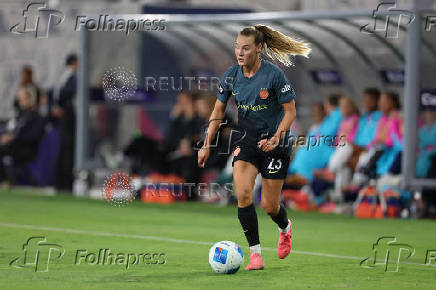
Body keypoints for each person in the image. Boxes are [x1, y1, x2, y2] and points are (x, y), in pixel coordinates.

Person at [197, 25, 310, 270]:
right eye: (237, 47)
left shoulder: (274, 75)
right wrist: (206, 144)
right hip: (247, 141)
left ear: (258, 49)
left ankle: (285, 227)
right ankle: (255, 255)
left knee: (270, 205)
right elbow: (218, 111)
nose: (239, 52)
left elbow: (290, 112)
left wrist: (276, 138)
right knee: (244, 194)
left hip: (275, 144)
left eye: (245, 48)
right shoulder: (230, 76)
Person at [0, 85, 44, 185]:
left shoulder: (37, 117)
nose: (20, 101)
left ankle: (5, 181)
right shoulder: (22, 115)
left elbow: (33, 136)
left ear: (31, 99)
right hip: (16, 146)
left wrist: (13, 137)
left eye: (23, 98)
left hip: (27, 149)